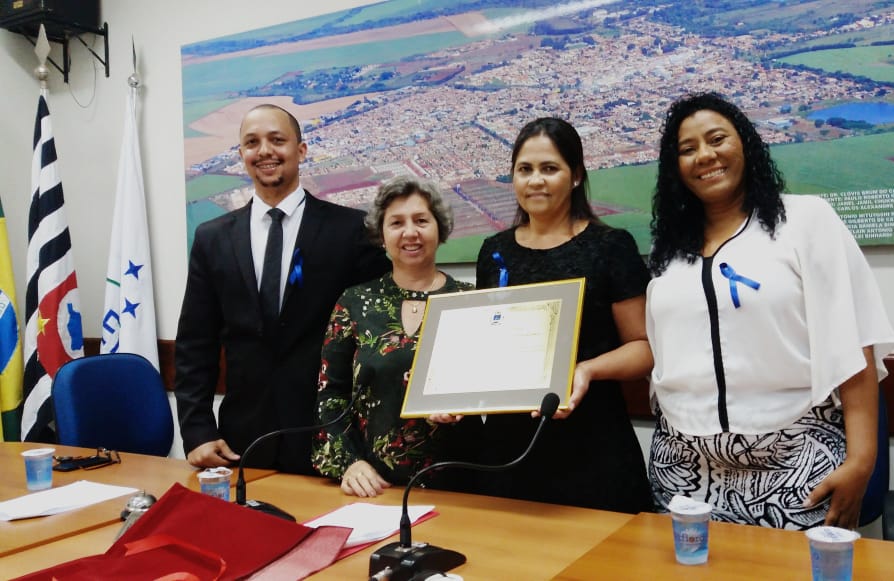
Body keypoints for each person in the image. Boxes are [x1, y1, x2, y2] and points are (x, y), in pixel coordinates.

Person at [646, 92, 894, 530]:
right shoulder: (668, 253)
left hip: (794, 464)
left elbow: (854, 344)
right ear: (675, 169)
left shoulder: (805, 220)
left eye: (716, 139)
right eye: (687, 150)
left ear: (745, 143)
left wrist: (861, 461)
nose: (705, 155)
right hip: (684, 473)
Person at [175, 104, 391, 474]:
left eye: (277, 140)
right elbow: (196, 343)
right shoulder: (212, 239)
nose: (265, 151)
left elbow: (377, 337)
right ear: (240, 154)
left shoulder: (352, 231)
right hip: (241, 443)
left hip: (330, 439)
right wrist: (197, 431)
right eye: (252, 142)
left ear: (301, 150)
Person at [472, 117, 653, 514]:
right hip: (508, 445)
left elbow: (643, 349)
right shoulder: (494, 251)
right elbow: (485, 343)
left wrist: (585, 370)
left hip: (593, 442)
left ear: (575, 177)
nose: (536, 180)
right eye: (525, 170)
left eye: (549, 169)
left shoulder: (611, 246)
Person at [312, 176, 473, 497]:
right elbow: (331, 397)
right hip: (373, 486)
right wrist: (349, 463)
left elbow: (494, 389)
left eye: (421, 220)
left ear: (439, 229)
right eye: (396, 222)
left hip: (461, 484)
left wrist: (469, 406)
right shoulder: (354, 303)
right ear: (381, 236)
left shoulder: (472, 300)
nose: (410, 232)